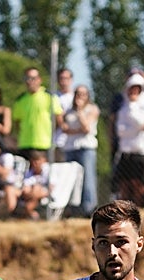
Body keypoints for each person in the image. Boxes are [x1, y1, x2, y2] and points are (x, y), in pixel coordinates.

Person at [112, 73, 144, 206]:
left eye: (136, 88)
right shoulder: (124, 107)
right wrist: (135, 128)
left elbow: (143, 124)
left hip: (142, 151)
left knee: (138, 183)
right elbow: (120, 130)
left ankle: (138, 208)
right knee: (124, 183)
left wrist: (133, 122)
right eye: (131, 88)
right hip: (126, 151)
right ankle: (124, 210)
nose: (133, 92)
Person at [57, 84, 100, 216]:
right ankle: (73, 210)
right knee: (71, 181)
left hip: (85, 148)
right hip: (70, 148)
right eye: (77, 94)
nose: (79, 97)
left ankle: (89, 210)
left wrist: (80, 110)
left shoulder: (92, 109)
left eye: (83, 94)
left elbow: (87, 128)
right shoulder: (68, 111)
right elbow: (63, 128)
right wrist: (76, 131)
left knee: (88, 180)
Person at [12, 67, 62, 155]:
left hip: (44, 144)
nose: (30, 81)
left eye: (33, 78)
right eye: (27, 78)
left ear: (39, 80)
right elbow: (17, 123)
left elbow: (58, 120)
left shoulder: (49, 97)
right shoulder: (20, 100)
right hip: (25, 144)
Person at [18, 150, 51, 220]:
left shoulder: (49, 170)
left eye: (37, 160)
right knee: (29, 189)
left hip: (46, 193)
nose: (35, 163)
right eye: (33, 160)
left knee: (36, 188)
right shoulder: (29, 172)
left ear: (44, 160)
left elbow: (51, 187)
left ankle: (28, 211)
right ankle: (31, 213)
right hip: (31, 195)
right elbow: (25, 188)